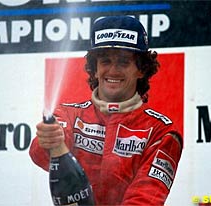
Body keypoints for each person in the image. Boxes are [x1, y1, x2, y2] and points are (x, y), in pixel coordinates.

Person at [29, 16, 183, 205]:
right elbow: (41, 157)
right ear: (94, 68)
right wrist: (48, 141)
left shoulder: (161, 132)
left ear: (141, 70)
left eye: (124, 62)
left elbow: (145, 198)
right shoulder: (69, 115)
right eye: (105, 61)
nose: (113, 70)